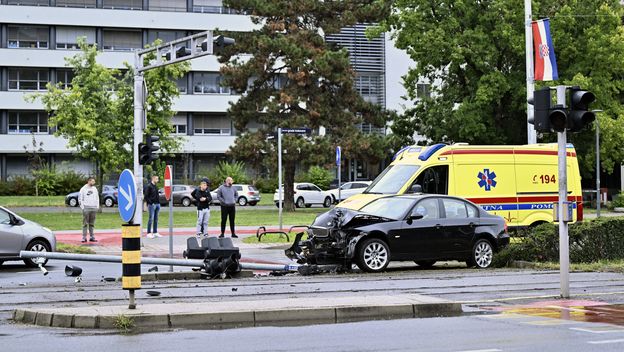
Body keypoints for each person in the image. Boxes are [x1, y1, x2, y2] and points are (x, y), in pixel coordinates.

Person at [78, 177, 99, 243]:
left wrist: (97, 206)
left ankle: (92, 237)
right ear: (89, 181)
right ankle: (84, 237)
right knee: (85, 223)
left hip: (93, 208)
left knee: (92, 223)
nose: (94, 183)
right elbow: (80, 198)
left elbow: (97, 197)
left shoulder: (94, 189)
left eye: (94, 181)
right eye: (92, 181)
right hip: (86, 208)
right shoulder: (83, 189)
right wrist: (82, 207)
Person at [144, 174, 161, 238]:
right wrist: (151, 203)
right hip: (152, 205)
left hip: (157, 204)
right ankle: (148, 233)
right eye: (156, 179)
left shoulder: (155, 186)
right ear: (153, 179)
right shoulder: (149, 186)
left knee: (156, 219)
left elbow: (157, 195)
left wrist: (158, 203)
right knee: (151, 218)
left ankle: (155, 232)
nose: (157, 180)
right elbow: (146, 196)